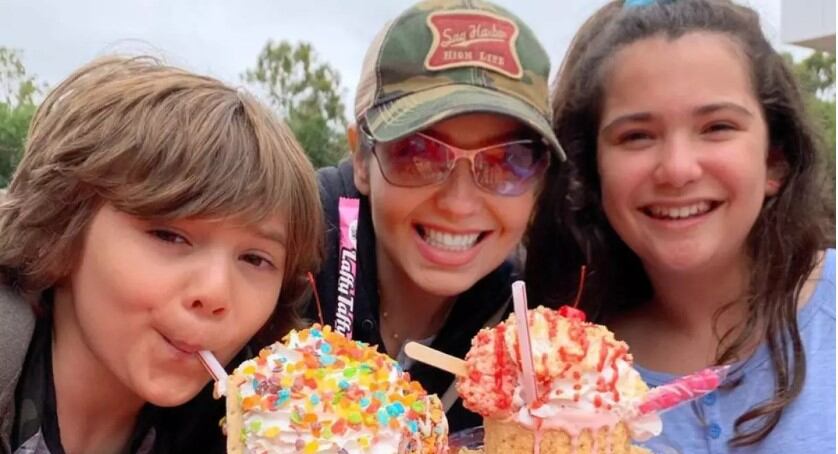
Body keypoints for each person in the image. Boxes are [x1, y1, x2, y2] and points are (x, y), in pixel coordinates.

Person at [526, 0, 835, 451]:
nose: (677, 169)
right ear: (591, 172)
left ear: (776, 159)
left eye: (717, 127)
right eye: (637, 136)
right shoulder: (553, 368)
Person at [0, 56, 323, 453]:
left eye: (256, 259)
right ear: (62, 225)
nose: (216, 293)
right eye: (170, 236)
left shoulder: (253, 432)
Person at [309, 0, 564, 431]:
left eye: (508, 161)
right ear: (361, 159)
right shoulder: (276, 261)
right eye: (418, 154)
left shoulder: (537, 341)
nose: (460, 203)